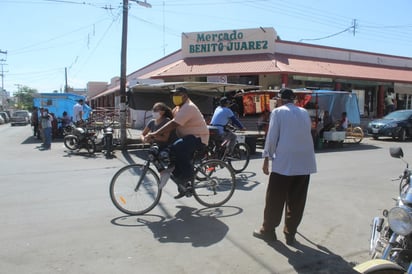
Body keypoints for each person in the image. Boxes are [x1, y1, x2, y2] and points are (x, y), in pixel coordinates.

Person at [253, 88, 317, 245]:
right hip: (304, 162)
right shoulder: (303, 112)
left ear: (280, 100)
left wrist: (266, 158)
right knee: (297, 200)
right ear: (293, 100)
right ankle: (290, 233)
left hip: (284, 162)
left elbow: (272, 136)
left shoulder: (278, 112)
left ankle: (268, 230)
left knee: (275, 198)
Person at [147, 87, 209, 199]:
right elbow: (168, 120)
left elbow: (174, 123)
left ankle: (188, 176)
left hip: (198, 138)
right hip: (186, 138)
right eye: (173, 95)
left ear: (184, 96)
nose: (174, 97)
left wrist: (156, 133)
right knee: (169, 154)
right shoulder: (177, 109)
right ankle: (183, 186)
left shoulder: (188, 107)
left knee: (177, 147)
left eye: (177, 95)